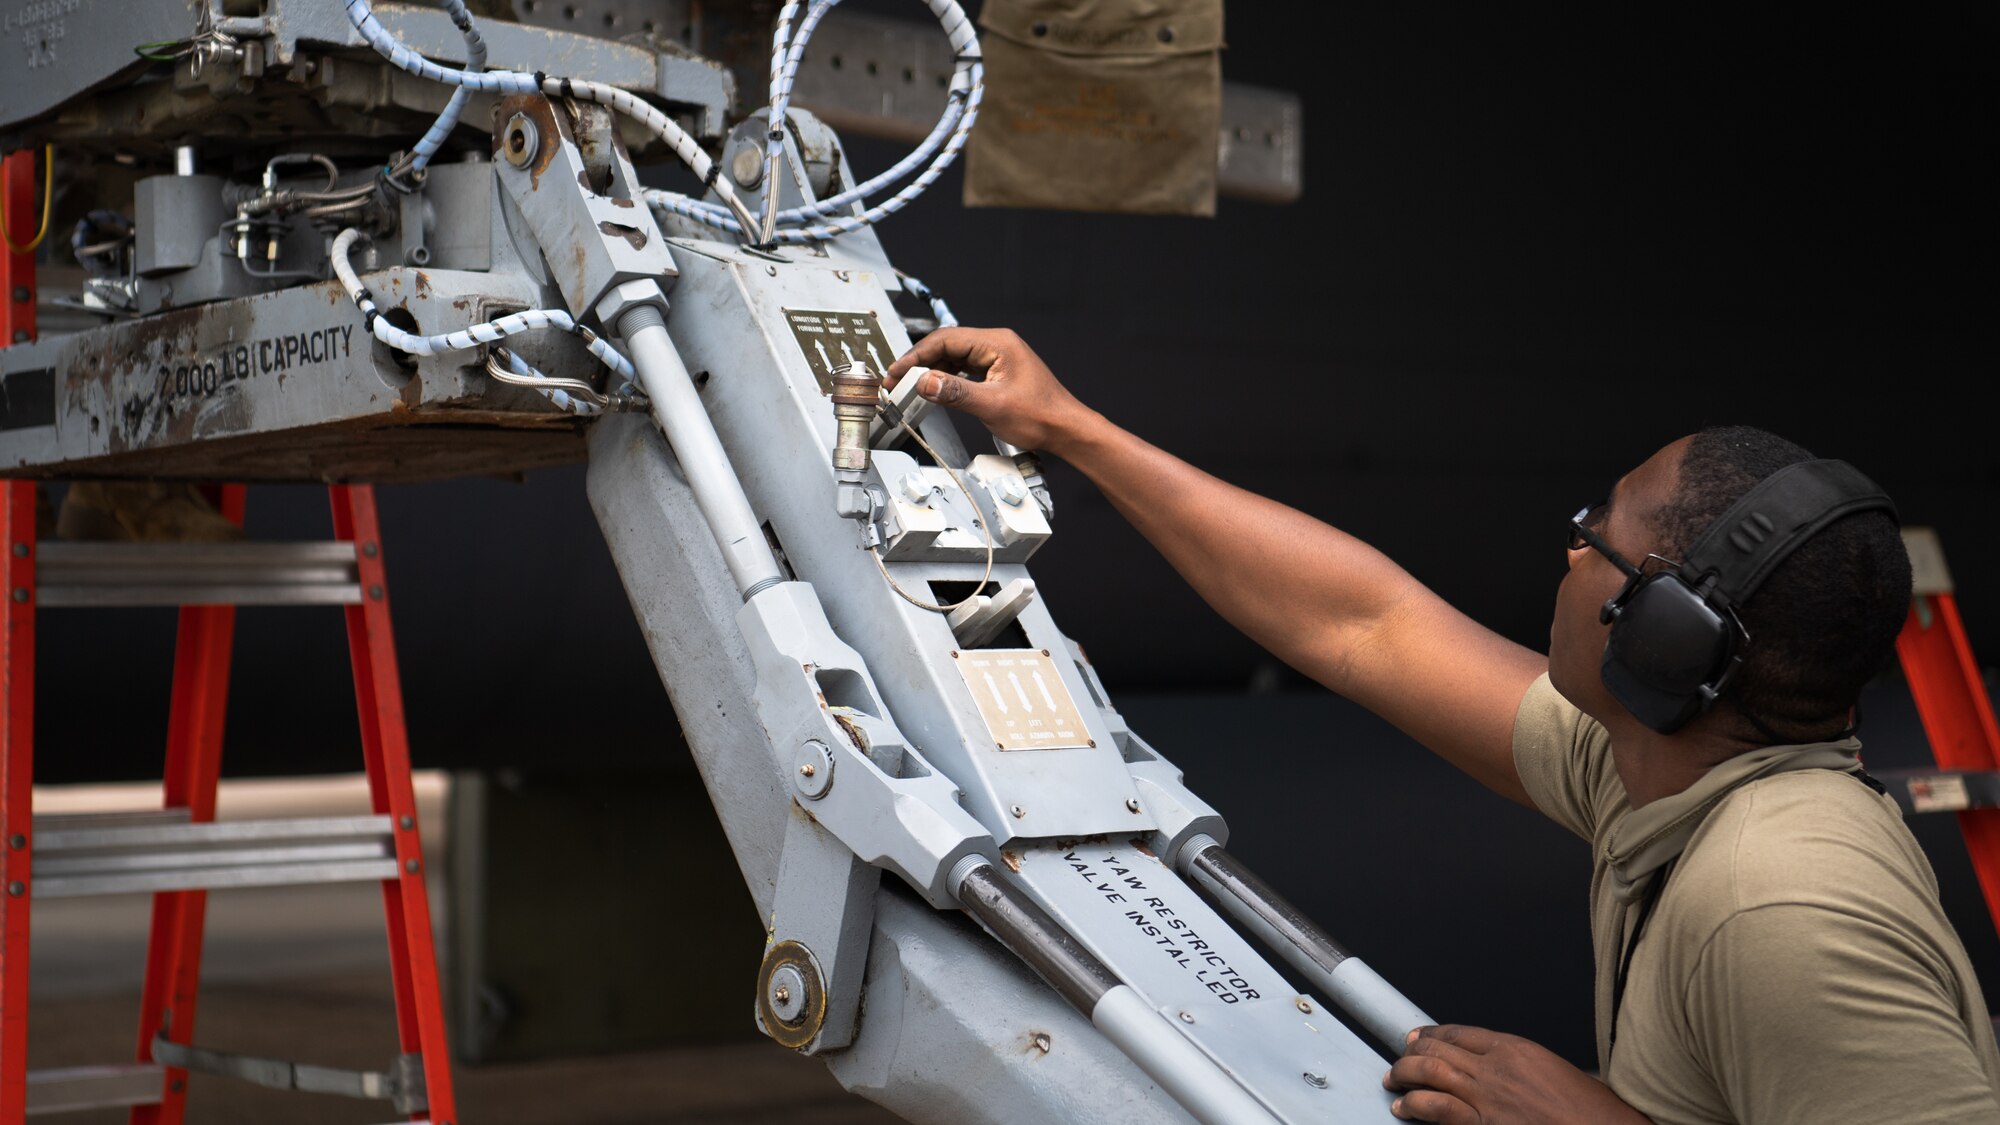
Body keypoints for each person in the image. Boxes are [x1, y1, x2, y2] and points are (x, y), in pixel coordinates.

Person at [884, 328, 2000, 1125]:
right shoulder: (1666, 766)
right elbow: (1363, 626)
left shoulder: (1779, 906)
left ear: (1662, 637)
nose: (1568, 556)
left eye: (1593, 541)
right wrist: (1072, 429)